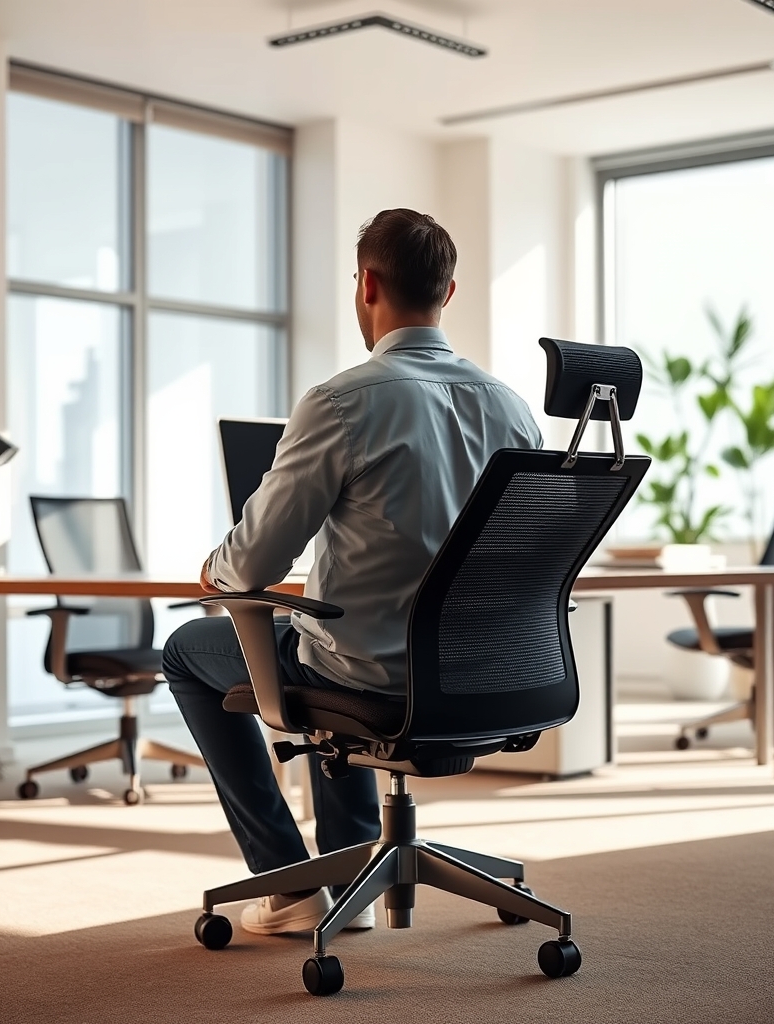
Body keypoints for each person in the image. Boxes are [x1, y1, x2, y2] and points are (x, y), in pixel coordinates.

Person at [163, 208, 542, 936]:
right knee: (324, 642)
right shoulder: (513, 409)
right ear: (449, 292)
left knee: (192, 650)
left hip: (372, 677)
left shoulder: (342, 402)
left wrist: (215, 563)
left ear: (367, 282)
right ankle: (347, 866)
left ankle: (288, 882)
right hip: (490, 676)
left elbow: (252, 565)